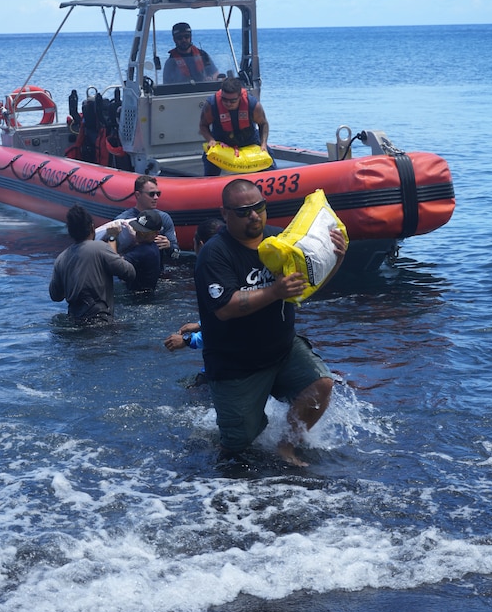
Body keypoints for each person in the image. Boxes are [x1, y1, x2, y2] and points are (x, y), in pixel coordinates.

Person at [194, 179, 347, 466]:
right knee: (237, 446)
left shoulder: (280, 241)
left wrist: (336, 259)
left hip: (282, 349)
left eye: (259, 207)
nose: (254, 215)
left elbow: (308, 285)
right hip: (235, 364)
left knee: (322, 385)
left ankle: (286, 446)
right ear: (225, 213)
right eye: (243, 211)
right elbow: (225, 308)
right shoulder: (215, 254)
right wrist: (275, 291)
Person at [49, 204, 137, 324]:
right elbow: (129, 272)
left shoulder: (61, 259)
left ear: (70, 233)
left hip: (74, 321)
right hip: (100, 321)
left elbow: (55, 296)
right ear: (92, 228)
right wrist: (113, 239)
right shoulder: (100, 248)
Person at [163, 217, 224, 354]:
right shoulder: (233, 263)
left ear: (201, 245)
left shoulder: (213, 274)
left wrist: (188, 340)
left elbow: (229, 323)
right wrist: (200, 325)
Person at [199, 76, 273, 176]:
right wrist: (211, 140)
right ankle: (209, 186)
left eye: (232, 101)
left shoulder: (253, 105)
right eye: (224, 100)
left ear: (239, 96)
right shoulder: (211, 105)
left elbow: (263, 124)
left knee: (269, 158)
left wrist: (263, 144)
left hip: (249, 139)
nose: (228, 103)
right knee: (209, 159)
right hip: (221, 140)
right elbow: (203, 126)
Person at [115, 174, 180, 261]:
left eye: (158, 194)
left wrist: (169, 246)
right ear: (138, 195)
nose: (156, 197)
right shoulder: (122, 220)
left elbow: (176, 255)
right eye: (152, 194)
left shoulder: (164, 218)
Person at [123, 210, 163, 293]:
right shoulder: (152, 246)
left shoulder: (144, 251)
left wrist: (112, 238)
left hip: (136, 299)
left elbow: (115, 263)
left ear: (156, 234)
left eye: (143, 233)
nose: (138, 235)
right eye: (136, 230)